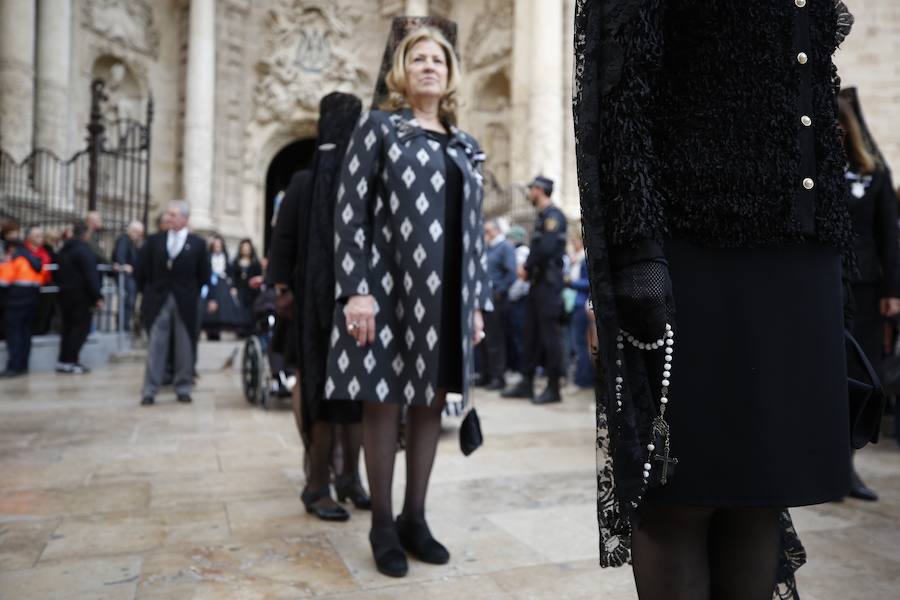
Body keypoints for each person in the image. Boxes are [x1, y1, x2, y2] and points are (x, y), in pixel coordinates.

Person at [574, 2, 856, 599]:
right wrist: (636, 252)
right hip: (688, 252)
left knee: (759, 494)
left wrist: (837, 250)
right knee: (681, 497)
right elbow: (619, 91)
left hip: (797, 255)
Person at [324, 26, 491, 578]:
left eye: (437, 60)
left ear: (449, 74)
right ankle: (382, 527)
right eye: (417, 58)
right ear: (402, 71)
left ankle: (415, 518)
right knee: (383, 399)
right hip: (390, 289)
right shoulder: (380, 129)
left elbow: (474, 230)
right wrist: (357, 291)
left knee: (430, 401)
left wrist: (476, 306)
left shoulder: (465, 145)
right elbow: (351, 211)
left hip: (448, 294)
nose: (428, 66)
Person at [268, 92, 371, 523]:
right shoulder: (304, 183)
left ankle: (349, 476)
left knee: (356, 395)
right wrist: (284, 289)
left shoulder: (360, 178)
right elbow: (284, 241)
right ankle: (317, 481)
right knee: (318, 390)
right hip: (310, 308)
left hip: (352, 304)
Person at [838, 90, 900, 502]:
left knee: (860, 376)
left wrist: (893, 292)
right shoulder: (817, 172)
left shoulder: (874, 172)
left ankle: (848, 467)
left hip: (866, 288)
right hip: (825, 287)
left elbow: (888, 235)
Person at [135, 200, 210, 405]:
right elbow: (142, 270)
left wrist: (192, 294)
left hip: (185, 302)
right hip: (159, 300)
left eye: (173, 215)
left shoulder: (198, 244)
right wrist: (149, 293)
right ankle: (150, 390)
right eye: (167, 214)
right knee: (156, 345)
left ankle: (183, 387)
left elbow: (204, 274)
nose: (168, 217)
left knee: (184, 345)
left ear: (185, 219)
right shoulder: (154, 241)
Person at [501, 175, 567, 404]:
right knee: (531, 335)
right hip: (537, 285)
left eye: (530, 189)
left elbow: (546, 248)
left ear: (539, 190)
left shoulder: (553, 217)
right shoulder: (541, 217)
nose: (528, 194)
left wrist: (527, 267)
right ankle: (526, 383)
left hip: (548, 285)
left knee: (550, 338)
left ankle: (553, 388)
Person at [0, 226, 52, 377]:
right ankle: (23, 365)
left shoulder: (17, 259)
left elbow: (4, 281)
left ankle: (14, 367)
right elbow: (42, 278)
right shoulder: (36, 259)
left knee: (14, 335)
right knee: (26, 334)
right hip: (32, 300)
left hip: (15, 301)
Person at [55, 222, 103, 374]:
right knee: (79, 330)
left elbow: (56, 272)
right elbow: (91, 276)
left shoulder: (64, 249)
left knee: (67, 329)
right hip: (81, 296)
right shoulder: (83, 251)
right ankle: (72, 361)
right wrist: (97, 296)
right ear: (85, 234)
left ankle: (63, 361)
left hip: (64, 294)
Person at [478, 218, 516, 390]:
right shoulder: (488, 247)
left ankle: (498, 376)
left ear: (496, 230)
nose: (486, 234)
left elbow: (511, 273)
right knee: (485, 338)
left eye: (488, 230)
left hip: (496, 297)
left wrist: (500, 290)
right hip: (484, 296)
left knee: (496, 339)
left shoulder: (505, 247)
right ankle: (486, 373)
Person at [567, 233, 594, 388]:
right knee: (579, 344)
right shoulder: (576, 258)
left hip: (582, 303)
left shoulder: (585, 257)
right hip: (576, 303)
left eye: (575, 241)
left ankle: (584, 379)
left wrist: (572, 282)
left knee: (581, 343)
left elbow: (589, 283)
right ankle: (581, 377)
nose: (573, 244)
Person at [202, 235, 241, 340]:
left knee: (223, 307)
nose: (217, 247)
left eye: (219, 245)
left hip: (223, 284)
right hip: (211, 283)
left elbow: (230, 273)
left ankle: (220, 328)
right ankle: (210, 330)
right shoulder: (208, 257)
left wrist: (232, 286)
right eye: (215, 245)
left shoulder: (226, 258)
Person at [111, 220, 144, 332]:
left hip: (131, 276)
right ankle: (123, 325)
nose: (139, 235)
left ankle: (126, 324)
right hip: (125, 275)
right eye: (138, 232)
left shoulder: (133, 242)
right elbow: (120, 256)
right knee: (129, 299)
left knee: (131, 300)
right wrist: (123, 265)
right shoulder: (124, 239)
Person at [230, 238, 263, 337]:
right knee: (240, 309)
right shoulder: (236, 262)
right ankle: (240, 330)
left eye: (247, 248)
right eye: (244, 248)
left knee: (251, 310)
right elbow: (232, 277)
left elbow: (258, 276)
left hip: (252, 291)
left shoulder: (255, 263)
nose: (245, 250)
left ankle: (251, 329)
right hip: (240, 289)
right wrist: (233, 287)